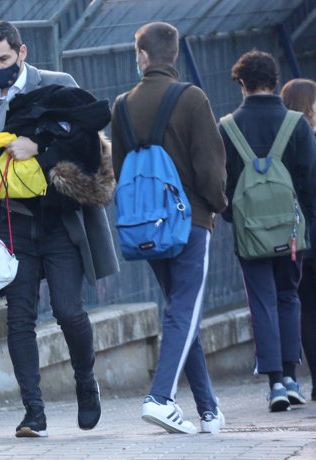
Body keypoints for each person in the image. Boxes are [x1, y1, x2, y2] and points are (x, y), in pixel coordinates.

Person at [0, 20, 119, 438]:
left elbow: (88, 142)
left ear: (22, 53)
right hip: (12, 222)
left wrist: (40, 147)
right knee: (18, 320)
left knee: (68, 311)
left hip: (59, 222)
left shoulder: (57, 82)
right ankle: (33, 412)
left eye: (3, 59)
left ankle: (85, 381)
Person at [110, 22, 228, 434]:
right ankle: (161, 398)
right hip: (190, 220)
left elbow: (119, 170)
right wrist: (216, 205)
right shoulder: (192, 97)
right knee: (184, 310)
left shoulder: (122, 105)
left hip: (148, 228)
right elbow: (211, 165)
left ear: (141, 55)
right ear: (174, 55)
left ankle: (209, 410)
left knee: (182, 311)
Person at [219, 54, 316, 412]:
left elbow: (221, 183)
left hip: (250, 235)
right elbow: (310, 181)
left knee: (261, 301)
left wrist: (234, 216)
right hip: (292, 235)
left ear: (240, 83)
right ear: (275, 81)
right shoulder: (297, 123)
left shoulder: (227, 126)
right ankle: (292, 378)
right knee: (289, 297)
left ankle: (274, 383)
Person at [281, 78, 316, 401]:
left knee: (305, 307)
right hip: (310, 228)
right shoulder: (309, 136)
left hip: (293, 236)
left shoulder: (281, 137)